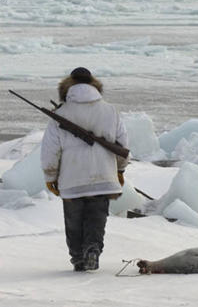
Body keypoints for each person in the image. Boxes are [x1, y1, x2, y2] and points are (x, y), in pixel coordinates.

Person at [40, 67, 129, 272]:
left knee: (73, 222)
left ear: (67, 87)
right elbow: (123, 145)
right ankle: (93, 250)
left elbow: (50, 150)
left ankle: (78, 258)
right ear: (94, 86)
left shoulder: (61, 114)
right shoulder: (110, 110)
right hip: (103, 177)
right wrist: (120, 171)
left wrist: (50, 176)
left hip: (71, 179)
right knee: (96, 219)